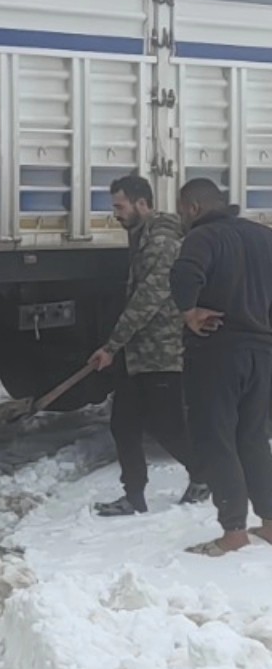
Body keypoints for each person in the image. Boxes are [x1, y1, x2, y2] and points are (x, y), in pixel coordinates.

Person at [88, 173, 207, 516]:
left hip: (162, 353)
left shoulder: (162, 243)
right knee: (123, 424)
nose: (116, 214)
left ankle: (203, 474)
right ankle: (134, 497)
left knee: (167, 427)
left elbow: (147, 300)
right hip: (138, 353)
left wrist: (111, 346)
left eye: (120, 206)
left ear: (142, 204)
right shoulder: (142, 237)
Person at [169, 178, 272, 556]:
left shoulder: (203, 237)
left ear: (193, 207)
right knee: (254, 437)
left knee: (216, 438)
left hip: (218, 353)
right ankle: (271, 523)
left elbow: (183, 275)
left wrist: (189, 312)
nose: (181, 217)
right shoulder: (265, 236)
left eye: (181, 210)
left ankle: (233, 533)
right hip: (262, 352)